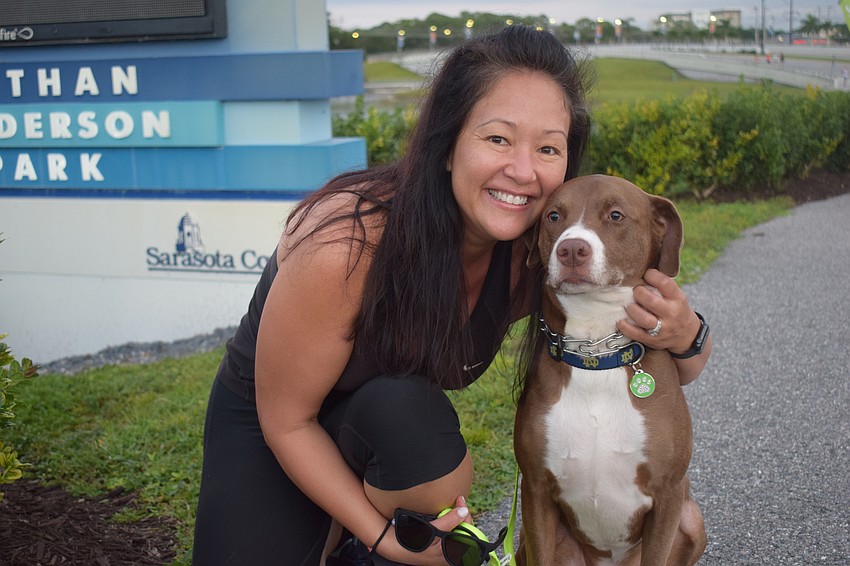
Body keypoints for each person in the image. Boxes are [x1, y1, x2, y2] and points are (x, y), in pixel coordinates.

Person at [192, 24, 711, 565]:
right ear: (447, 143)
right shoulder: (347, 243)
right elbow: (286, 421)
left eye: (548, 147)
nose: (522, 169)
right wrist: (382, 537)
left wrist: (687, 331)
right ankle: (352, 539)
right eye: (497, 138)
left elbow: (673, 361)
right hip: (278, 423)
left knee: (408, 418)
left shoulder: (540, 253)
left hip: (386, 432)